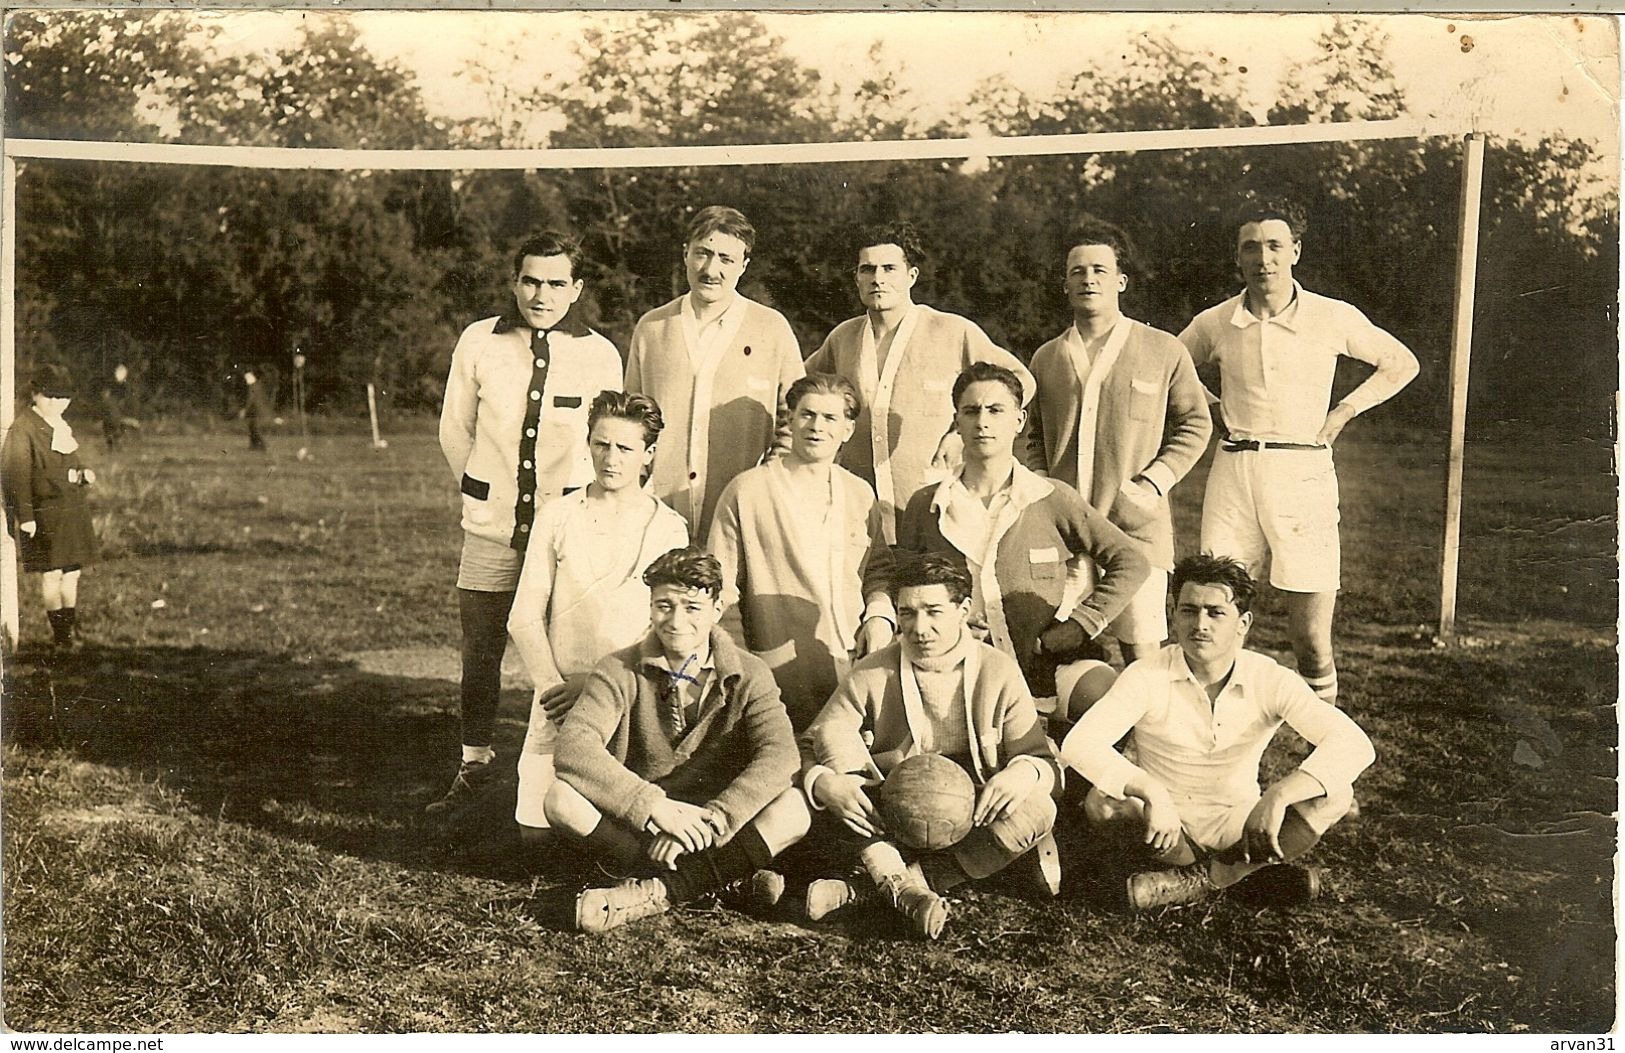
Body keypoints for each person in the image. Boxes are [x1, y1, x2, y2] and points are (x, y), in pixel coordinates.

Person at [1179, 198, 1418, 708]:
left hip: (1302, 471)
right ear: (1237, 258)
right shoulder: (1217, 322)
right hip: (1234, 469)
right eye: (1251, 248)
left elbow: (1401, 363)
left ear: (1295, 252)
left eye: (1274, 246)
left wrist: (1344, 412)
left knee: (1309, 635)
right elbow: (1172, 368)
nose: (1263, 258)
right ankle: (1211, 726)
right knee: (1215, 608)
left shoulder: (1330, 316)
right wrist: (1213, 403)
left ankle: (1323, 740)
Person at [430, 230, 624, 819]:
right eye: (531, 281)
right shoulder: (480, 341)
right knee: (482, 647)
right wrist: (482, 490)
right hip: (490, 529)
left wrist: (572, 510)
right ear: (515, 282)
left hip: (565, 533)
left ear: (577, 288)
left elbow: (604, 442)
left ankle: (577, 767)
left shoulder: (599, 353)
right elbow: (454, 428)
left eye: (556, 282)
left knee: (568, 649)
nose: (541, 294)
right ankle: (475, 764)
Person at [1059, 554, 1375, 910]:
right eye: (1189, 610)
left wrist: (1279, 795)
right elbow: (1081, 743)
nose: (1200, 624)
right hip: (1164, 826)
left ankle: (1200, 881)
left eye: (1215, 612)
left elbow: (1354, 744)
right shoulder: (1147, 674)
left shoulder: (1268, 678)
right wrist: (1151, 791)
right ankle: (1243, 878)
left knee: (1335, 794)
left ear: (1243, 623)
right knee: (1103, 804)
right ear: (1174, 615)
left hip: (1241, 822)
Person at [800, 552, 1063, 940]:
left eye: (933, 611)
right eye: (907, 613)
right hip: (891, 812)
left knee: (1038, 807)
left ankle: (877, 889)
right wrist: (825, 782)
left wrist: (1022, 773)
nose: (919, 628)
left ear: (964, 610)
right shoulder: (875, 669)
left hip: (970, 813)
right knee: (835, 737)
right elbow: (813, 739)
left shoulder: (997, 669)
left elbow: (1045, 764)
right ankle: (897, 884)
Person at [548, 547, 810, 933]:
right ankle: (720, 882)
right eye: (663, 606)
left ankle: (650, 891)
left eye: (692, 607)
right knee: (560, 799)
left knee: (796, 808)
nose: (675, 620)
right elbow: (574, 747)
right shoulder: (618, 668)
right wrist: (654, 808)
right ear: (650, 606)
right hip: (642, 822)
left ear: (718, 609)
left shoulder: (750, 673)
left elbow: (781, 755)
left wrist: (716, 819)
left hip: (713, 824)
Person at [891, 362, 1150, 709]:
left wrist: (1080, 624)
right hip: (954, 664)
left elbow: (1131, 560)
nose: (982, 421)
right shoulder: (927, 504)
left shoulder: (1050, 497)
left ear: (1019, 421)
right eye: (971, 411)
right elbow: (901, 580)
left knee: (1101, 692)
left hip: (1041, 665)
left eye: (996, 410)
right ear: (956, 422)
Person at [1025, 219, 1211, 676]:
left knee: (1143, 659)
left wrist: (1151, 484)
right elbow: (1030, 436)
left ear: (1121, 281)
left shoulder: (1162, 349)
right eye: (1077, 271)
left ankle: (1152, 748)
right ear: (1065, 283)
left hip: (1136, 531)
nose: (1088, 279)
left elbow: (1194, 422)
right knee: (1048, 649)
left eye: (1100, 270)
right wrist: (1043, 492)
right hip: (1065, 536)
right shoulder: (1047, 357)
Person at [507, 390, 689, 839]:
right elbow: (524, 615)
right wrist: (553, 688)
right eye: (601, 444)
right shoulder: (558, 516)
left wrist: (599, 683)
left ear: (648, 456)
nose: (611, 459)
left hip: (632, 694)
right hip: (559, 699)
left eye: (625, 449)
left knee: (623, 809)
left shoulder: (668, 527)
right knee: (536, 833)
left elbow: (668, 630)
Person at [804, 222, 1035, 543]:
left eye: (889, 268)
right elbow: (796, 388)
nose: (878, 278)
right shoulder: (842, 338)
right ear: (856, 277)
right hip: (859, 514)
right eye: (867, 269)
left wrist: (960, 434)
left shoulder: (952, 331)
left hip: (937, 507)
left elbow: (1022, 380)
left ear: (911, 275)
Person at [707, 373, 894, 730]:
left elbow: (878, 570)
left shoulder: (859, 494)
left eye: (830, 418)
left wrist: (879, 617)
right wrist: (743, 668)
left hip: (851, 663)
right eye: (807, 414)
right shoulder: (747, 491)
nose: (816, 427)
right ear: (790, 418)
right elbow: (721, 590)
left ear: (848, 429)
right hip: (777, 673)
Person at [625, 205, 804, 540]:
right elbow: (632, 422)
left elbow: (795, 418)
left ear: (744, 266)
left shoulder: (771, 329)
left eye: (726, 259)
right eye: (702, 254)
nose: (711, 269)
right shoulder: (652, 328)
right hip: (659, 514)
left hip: (742, 516)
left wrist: (764, 486)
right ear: (685, 254)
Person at [2, 363, 99, 652]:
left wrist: (83, 472)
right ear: (35, 394)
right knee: (52, 573)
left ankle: (68, 631)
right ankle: (60, 637)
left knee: (72, 573)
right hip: (47, 513)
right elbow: (15, 474)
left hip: (72, 510)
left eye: (64, 397)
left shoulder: (59, 425)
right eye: (51, 396)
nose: (58, 403)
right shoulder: (24, 428)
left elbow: (71, 461)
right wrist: (26, 516)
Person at [100, 363, 138, 452]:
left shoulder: (126, 386)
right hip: (113, 409)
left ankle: (116, 444)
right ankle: (112, 445)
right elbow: (106, 395)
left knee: (116, 426)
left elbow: (127, 398)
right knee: (110, 426)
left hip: (119, 410)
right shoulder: (111, 384)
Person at [239, 370, 271, 451]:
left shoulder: (253, 387)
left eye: (247, 377)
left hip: (258, 411)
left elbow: (250, 400)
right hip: (256, 411)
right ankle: (253, 446)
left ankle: (263, 446)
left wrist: (244, 411)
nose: (246, 379)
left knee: (255, 429)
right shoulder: (257, 385)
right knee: (252, 428)